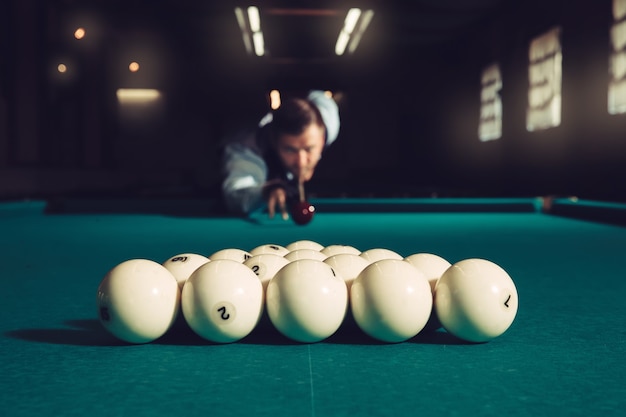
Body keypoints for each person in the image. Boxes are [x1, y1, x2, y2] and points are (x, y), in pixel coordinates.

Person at [220, 90, 340, 219]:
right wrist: (267, 190)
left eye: (309, 149)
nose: (301, 162)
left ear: (322, 140)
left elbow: (320, 96)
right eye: (290, 150)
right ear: (274, 142)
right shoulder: (248, 148)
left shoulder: (328, 121)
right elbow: (236, 194)